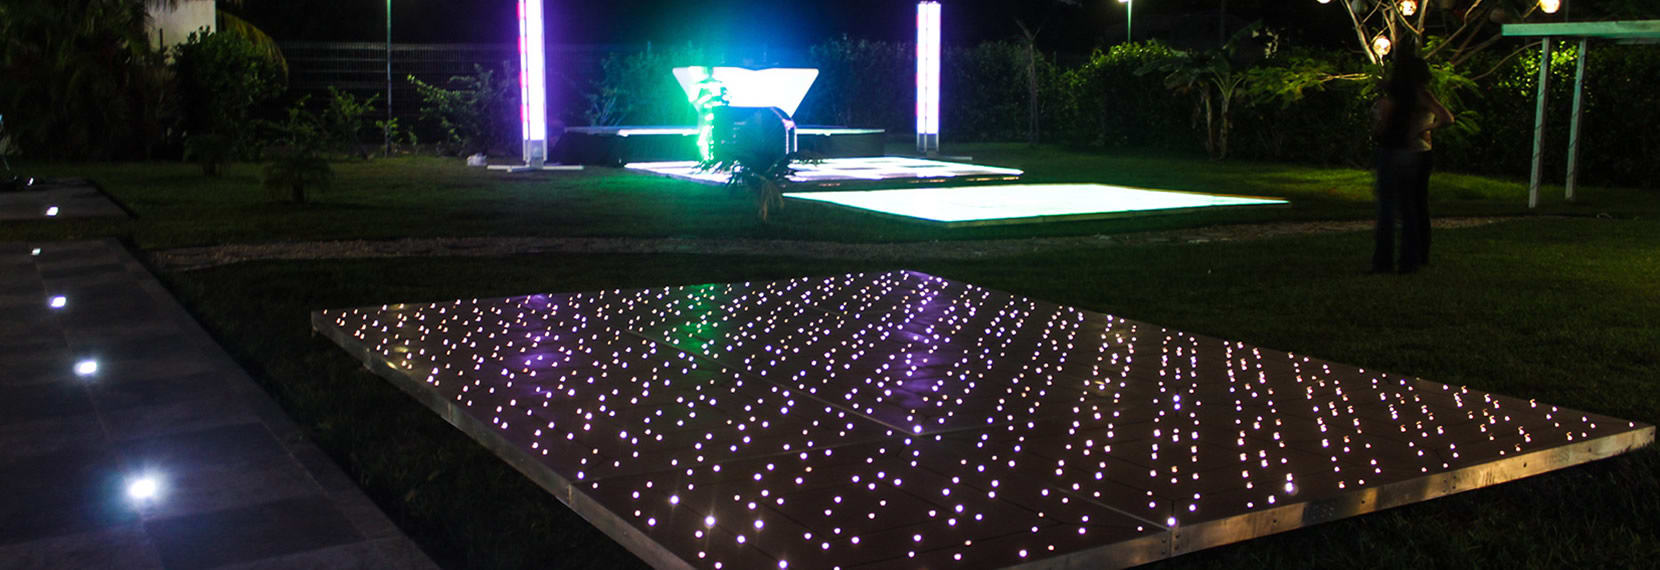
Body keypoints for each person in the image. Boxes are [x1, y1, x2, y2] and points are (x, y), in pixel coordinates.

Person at [1372, 55, 1455, 274]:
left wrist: (1418, 129)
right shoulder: (1419, 94)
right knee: (1413, 207)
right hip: (1417, 152)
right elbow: (1445, 118)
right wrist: (1424, 129)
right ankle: (1413, 258)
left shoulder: (1399, 95)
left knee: (1391, 208)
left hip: (1398, 150)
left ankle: (1386, 262)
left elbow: (1446, 118)